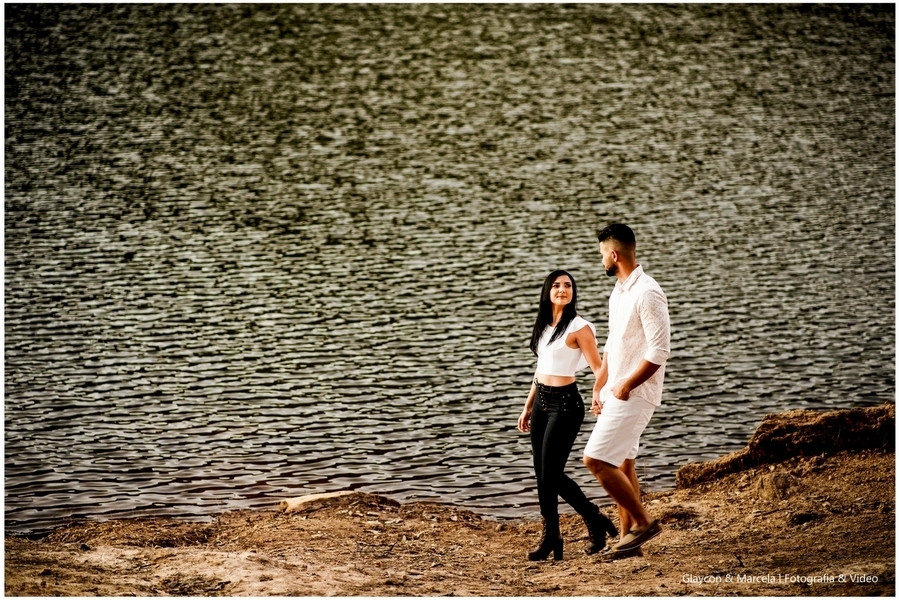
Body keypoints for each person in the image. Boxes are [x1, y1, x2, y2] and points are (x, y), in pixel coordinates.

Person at [582, 223, 671, 560]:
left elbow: (659, 352)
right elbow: (613, 345)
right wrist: (600, 384)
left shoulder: (647, 292)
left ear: (614, 254)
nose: (601, 260)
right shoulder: (619, 291)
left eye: (602, 254)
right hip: (616, 390)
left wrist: (625, 385)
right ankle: (626, 543)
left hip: (635, 393)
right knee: (623, 462)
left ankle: (645, 522)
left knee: (596, 460)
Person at [517, 269, 618, 561]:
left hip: (565, 405)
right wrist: (527, 406)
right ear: (547, 290)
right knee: (541, 473)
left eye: (568, 285)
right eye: (557, 285)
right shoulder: (544, 325)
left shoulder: (580, 328)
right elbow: (542, 369)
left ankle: (595, 519)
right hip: (541, 404)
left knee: (551, 474)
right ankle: (552, 537)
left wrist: (600, 394)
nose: (563, 289)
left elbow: (599, 369)